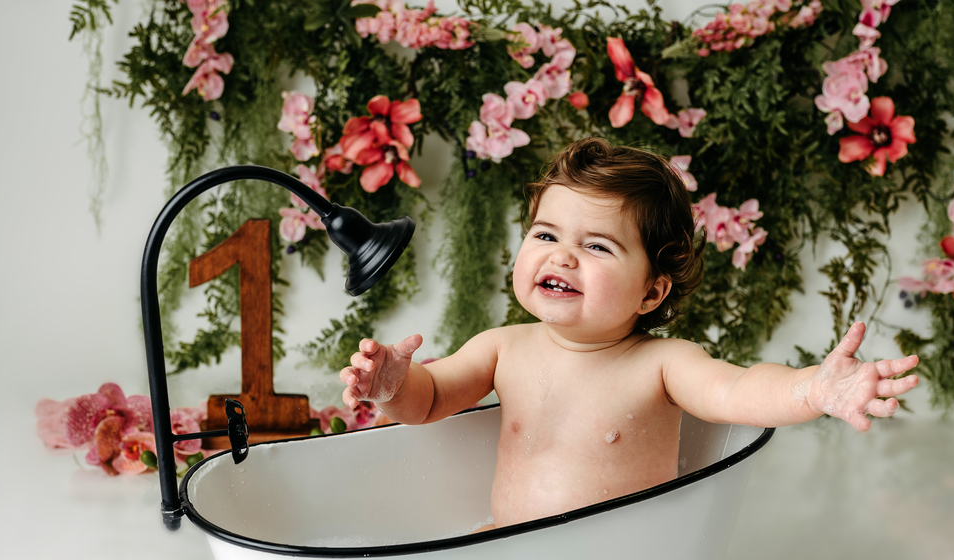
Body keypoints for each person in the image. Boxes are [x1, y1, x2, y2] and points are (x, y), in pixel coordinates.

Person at [340, 138, 919, 529]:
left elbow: (738, 391)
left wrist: (814, 389)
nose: (562, 256)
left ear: (651, 292)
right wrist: (393, 386)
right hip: (509, 551)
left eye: (597, 246)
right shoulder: (502, 347)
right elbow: (431, 401)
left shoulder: (661, 365)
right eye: (546, 235)